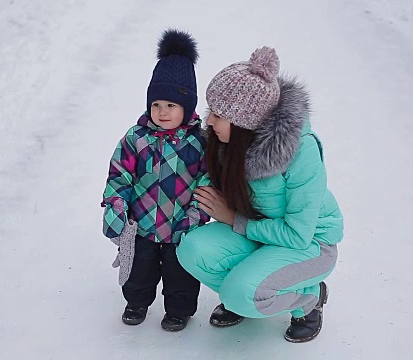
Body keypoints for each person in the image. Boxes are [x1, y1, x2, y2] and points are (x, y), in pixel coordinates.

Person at [176, 46, 344, 343]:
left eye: (217, 114)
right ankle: (246, 294)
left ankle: (308, 298)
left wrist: (233, 219)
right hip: (259, 232)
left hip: (309, 244)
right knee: (191, 249)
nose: (209, 121)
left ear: (243, 122)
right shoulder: (226, 143)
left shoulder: (300, 152)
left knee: (242, 294)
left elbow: (297, 235)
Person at [101, 29, 210, 332]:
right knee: (139, 269)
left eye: (171, 106)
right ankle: (136, 302)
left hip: (181, 227)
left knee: (181, 273)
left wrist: (195, 216)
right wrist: (116, 206)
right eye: (156, 105)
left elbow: (207, 181)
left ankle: (178, 310)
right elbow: (119, 173)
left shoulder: (199, 143)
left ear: (187, 108)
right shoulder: (136, 138)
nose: (162, 112)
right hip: (142, 223)